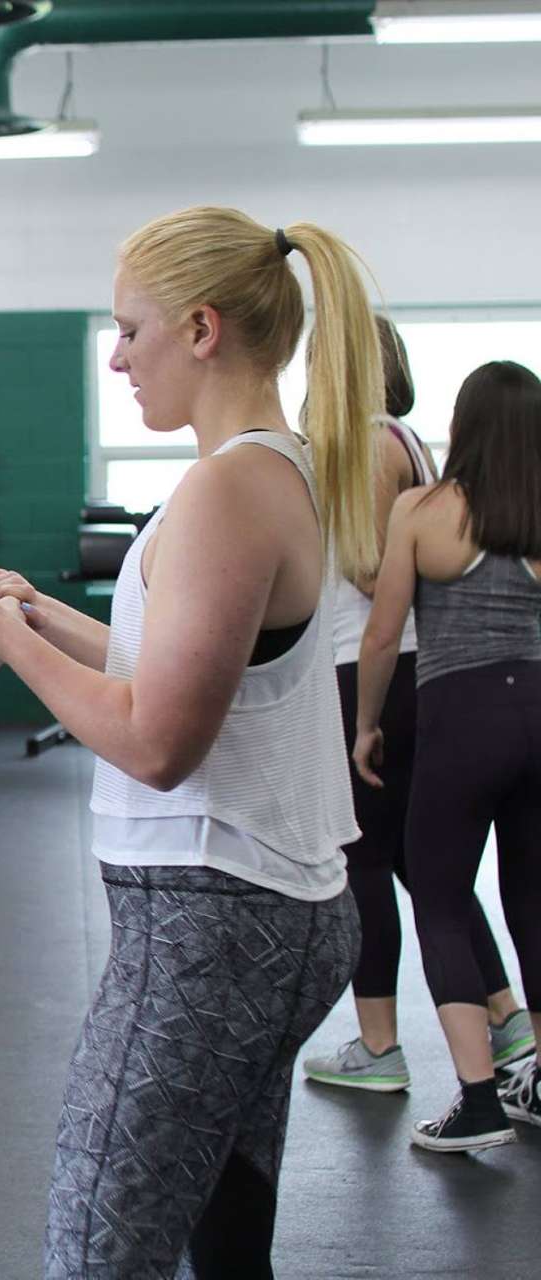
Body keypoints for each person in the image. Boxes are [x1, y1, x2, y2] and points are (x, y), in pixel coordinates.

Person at [0, 207, 377, 1278]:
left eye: (128, 330)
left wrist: (3, 638)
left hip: (212, 924)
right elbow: (194, 674)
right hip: (262, 913)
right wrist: (42, 614)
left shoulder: (226, 488)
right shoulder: (267, 468)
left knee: (97, 1243)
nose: (115, 357)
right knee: (222, 1228)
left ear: (199, 329)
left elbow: (156, 741)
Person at [302, 320, 533, 1093]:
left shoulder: (368, 443)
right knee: (419, 863)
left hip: (375, 670)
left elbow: (376, 582)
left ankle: (379, 1046)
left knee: (369, 859)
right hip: (417, 678)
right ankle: (503, 1016)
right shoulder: (405, 441)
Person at [354, 359, 541, 1154]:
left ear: (460, 428)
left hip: (461, 719)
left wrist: (366, 725)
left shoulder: (422, 512)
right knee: (533, 900)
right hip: (539, 712)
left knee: (436, 894)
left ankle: (477, 1100)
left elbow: (383, 631)